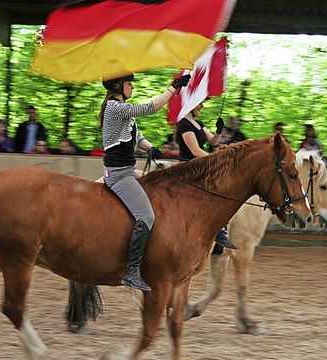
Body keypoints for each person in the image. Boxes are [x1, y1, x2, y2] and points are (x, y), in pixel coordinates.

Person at [100, 73, 190, 291]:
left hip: (129, 171)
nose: (132, 88)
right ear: (119, 86)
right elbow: (151, 107)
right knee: (147, 215)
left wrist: (151, 148)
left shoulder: (124, 113)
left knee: (161, 192)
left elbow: (137, 137)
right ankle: (131, 270)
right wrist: (174, 87)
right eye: (129, 84)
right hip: (119, 175)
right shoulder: (115, 107)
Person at [175, 101, 236, 250]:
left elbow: (213, 141)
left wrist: (219, 131)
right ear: (191, 105)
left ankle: (220, 230)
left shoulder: (198, 123)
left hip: (202, 165)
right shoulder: (183, 124)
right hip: (190, 167)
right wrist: (217, 160)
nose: (201, 106)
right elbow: (195, 151)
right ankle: (217, 231)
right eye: (199, 104)